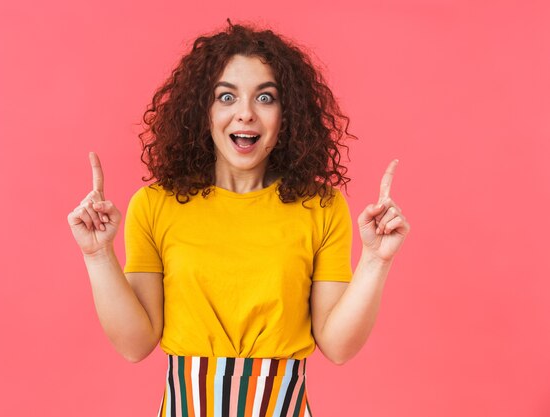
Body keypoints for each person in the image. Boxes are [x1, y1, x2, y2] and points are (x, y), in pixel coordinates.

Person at [67, 20, 410, 417]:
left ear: (288, 116)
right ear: (203, 112)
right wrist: (97, 255)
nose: (245, 114)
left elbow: (337, 346)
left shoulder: (321, 207)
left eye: (265, 99)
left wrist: (375, 260)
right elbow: (135, 344)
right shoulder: (155, 204)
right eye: (226, 97)